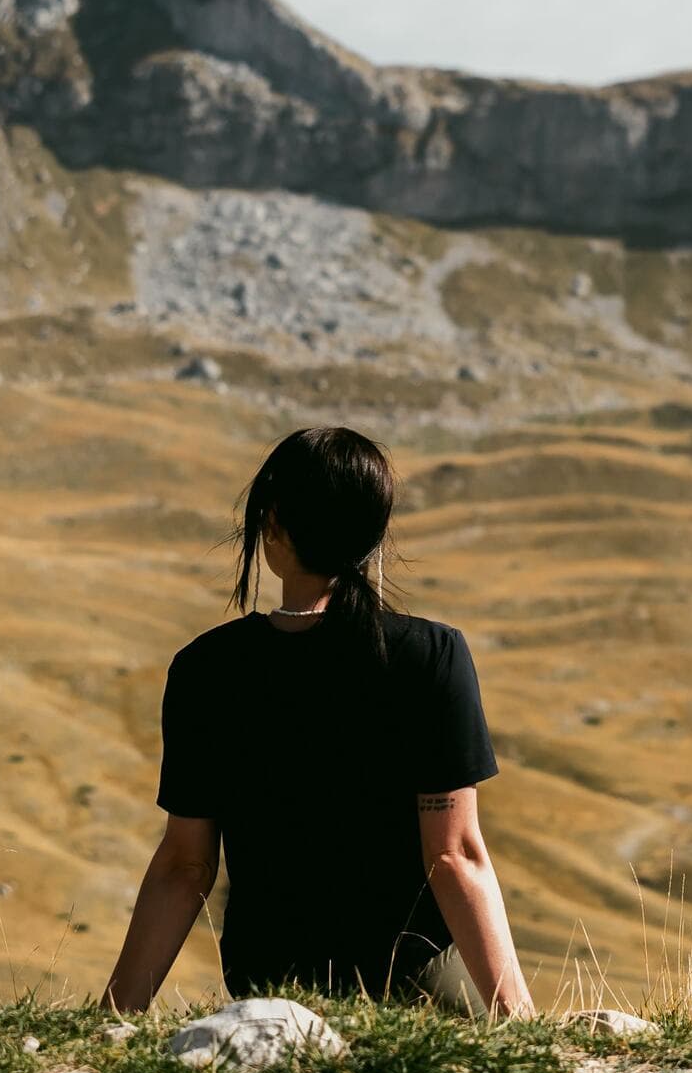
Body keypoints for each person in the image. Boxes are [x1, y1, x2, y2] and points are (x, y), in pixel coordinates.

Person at [101, 425, 536, 1018]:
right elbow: (453, 855)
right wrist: (519, 1021)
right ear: (374, 531)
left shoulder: (207, 669)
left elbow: (186, 866)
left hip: (269, 984)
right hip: (411, 982)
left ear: (273, 524)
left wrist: (115, 1018)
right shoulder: (431, 656)